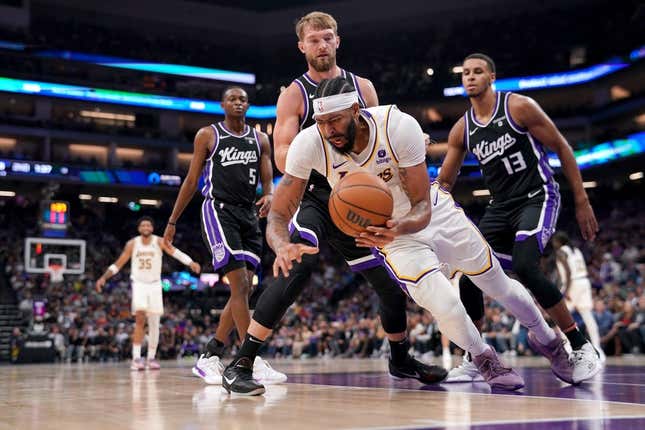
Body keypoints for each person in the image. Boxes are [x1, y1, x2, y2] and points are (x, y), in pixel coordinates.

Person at [221, 76, 583, 395]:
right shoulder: (310, 142)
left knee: (496, 284)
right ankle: (485, 358)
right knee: (443, 302)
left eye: (335, 120)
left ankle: (550, 341)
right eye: (321, 122)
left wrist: (400, 225)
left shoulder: (398, 125)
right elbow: (281, 210)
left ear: (356, 111)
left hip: (430, 215)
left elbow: (422, 204)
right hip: (391, 236)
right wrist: (281, 244)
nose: (328, 129)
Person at [219, 11, 448, 394]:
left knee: (391, 285)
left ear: (337, 41)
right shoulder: (294, 94)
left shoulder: (363, 87)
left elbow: (382, 137)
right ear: (302, 46)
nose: (322, 45)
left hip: (361, 197)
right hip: (318, 195)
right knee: (297, 266)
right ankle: (241, 363)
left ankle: (400, 358)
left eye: (327, 38)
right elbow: (282, 157)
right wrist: (331, 158)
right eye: (314, 40)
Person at [437, 53, 601, 384]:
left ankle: (580, 344)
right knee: (470, 276)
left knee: (526, 266)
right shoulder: (462, 129)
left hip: (537, 196)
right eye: (465, 73)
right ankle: (477, 357)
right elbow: (443, 183)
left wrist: (582, 200)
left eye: (478, 71)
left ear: (492, 76)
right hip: (500, 207)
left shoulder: (518, 107)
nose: (470, 77)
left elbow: (562, 147)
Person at [162, 86, 286, 385]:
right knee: (241, 284)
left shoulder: (260, 139)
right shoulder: (208, 135)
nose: (238, 103)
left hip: (248, 213)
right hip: (218, 210)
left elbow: (267, 174)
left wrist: (269, 194)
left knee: (242, 290)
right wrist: (172, 221)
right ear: (223, 104)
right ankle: (249, 360)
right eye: (232, 99)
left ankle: (211, 354)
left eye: (243, 99)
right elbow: (192, 179)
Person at [96, 216, 200, 370]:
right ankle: (136, 358)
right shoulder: (132, 244)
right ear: (139, 228)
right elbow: (119, 263)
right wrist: (104, 277)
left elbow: (175, 252)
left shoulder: (159, 241)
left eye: (148, 225)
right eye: (143, 225)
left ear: (152, 228)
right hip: (139, 284)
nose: (146, 227)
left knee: (154, 324)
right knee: (140, 319)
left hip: (155, 285)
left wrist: (190, 262)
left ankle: (150, 358)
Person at [552, 232, 605, 362]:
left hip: (573, 283)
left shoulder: (561, 252)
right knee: (588, 316)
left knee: (562, 317)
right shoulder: (576, 250)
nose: (553, 244)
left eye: (554, 241)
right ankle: (598, 349)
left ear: (559, 241)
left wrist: (566, 290)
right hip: (584, 282)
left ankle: (568, 349)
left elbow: (568, 272)